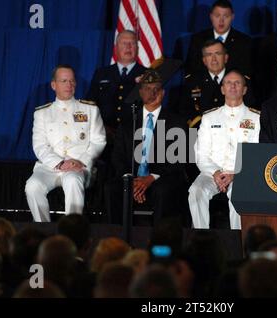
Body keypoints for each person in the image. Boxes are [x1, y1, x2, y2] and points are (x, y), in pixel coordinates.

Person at [25, 65, 106, 222]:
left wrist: (81, 161)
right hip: (50, 166)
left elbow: (99, 140)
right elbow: (40, 146)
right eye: (64, 81)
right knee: (32, 186)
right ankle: (43, 228)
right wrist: (59, 163)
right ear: (53, 85)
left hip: (79, 165)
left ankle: (72, 231)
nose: (69, 85)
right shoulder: (42, 113)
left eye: (72, 81)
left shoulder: (89, 109)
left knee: (72, 180)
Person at [109, 70, 188, 224]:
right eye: (147, 89)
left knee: (163, 190)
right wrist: (132, 181)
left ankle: (160, 240)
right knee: (112, 189)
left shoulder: (177, 122)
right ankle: (117, 238)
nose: (152, 93)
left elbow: (180, 159)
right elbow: (117, 157)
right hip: (132, 177)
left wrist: (151, 177)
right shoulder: (128, 122)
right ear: (140, 92)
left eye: (156, 89)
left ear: (163, 93)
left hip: (162, 177)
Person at [188, 70, 260, 230]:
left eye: (237, 83)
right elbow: (201, 153)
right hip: (211, 173)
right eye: (228, 82)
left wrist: (235, 174)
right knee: (196, 191)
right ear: (222, 89)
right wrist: (215, 172)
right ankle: (201, 238)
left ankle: (237, 241)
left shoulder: (256, 118)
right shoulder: (209, 117)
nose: (233, 86)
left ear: (245, 89)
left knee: (238, 195)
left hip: (241, 174)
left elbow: (256, 153)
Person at [86, 30, 146, 158]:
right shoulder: (102, 73)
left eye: (132, 44)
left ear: (138, 48)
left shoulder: (147, 74)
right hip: (105, 135)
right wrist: (101, 128)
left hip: (136, 137)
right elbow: (90, 104)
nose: (128, 47)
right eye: (124, 43)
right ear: (116, 47)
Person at [180, 39, 255, 128]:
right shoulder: (192, 81)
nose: (214, 59)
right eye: (209, 55)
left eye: (218, 54)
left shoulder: (240, 80)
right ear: (204, 60)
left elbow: (250, 107)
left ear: (226, 58)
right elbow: (184, 111)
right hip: (201, 129)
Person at [185, 0, 251, 76]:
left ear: (232, 17)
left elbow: (246, 72)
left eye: (226, 16)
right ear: (211, 16)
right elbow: (191, 69)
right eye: (217, 16)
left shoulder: (244, 41)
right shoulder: (198, 39)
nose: (221, 21)